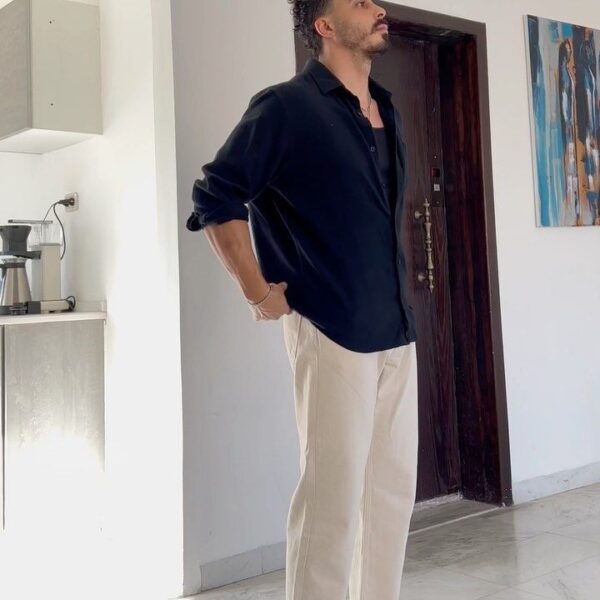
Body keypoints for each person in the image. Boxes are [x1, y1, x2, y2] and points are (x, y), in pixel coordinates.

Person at [186, 1, 419, 597]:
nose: (378, 8)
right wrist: (258, 293)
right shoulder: (285, 107)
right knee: (330, 507)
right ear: (324, 25)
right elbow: (215, 197)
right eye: (359, 1)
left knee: (390, 500)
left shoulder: (385, 107)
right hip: (330, 329)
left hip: (396, 331)